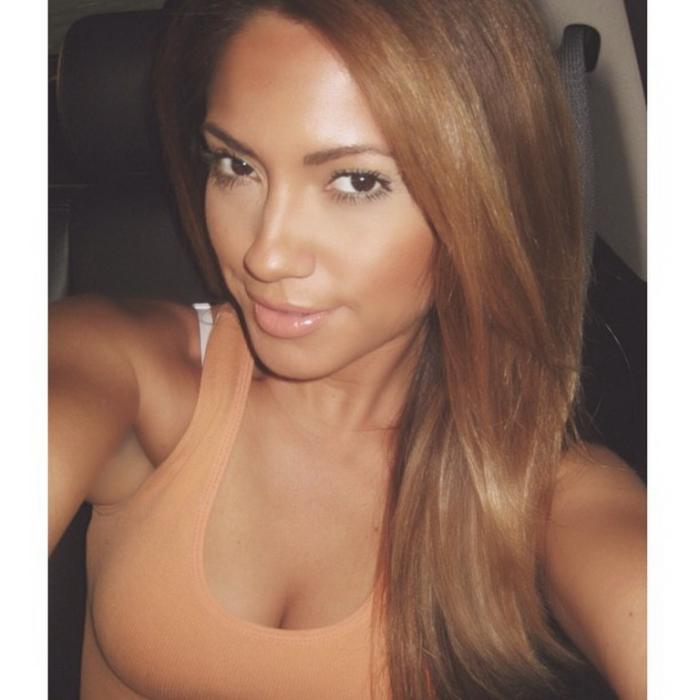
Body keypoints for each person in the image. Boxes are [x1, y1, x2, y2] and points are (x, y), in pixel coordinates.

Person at [49, 0, 646, 698]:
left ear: (486, 198)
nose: (266, 254)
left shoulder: (530, 491)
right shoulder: (125, 370)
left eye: (357, 181)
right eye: (236, 165)